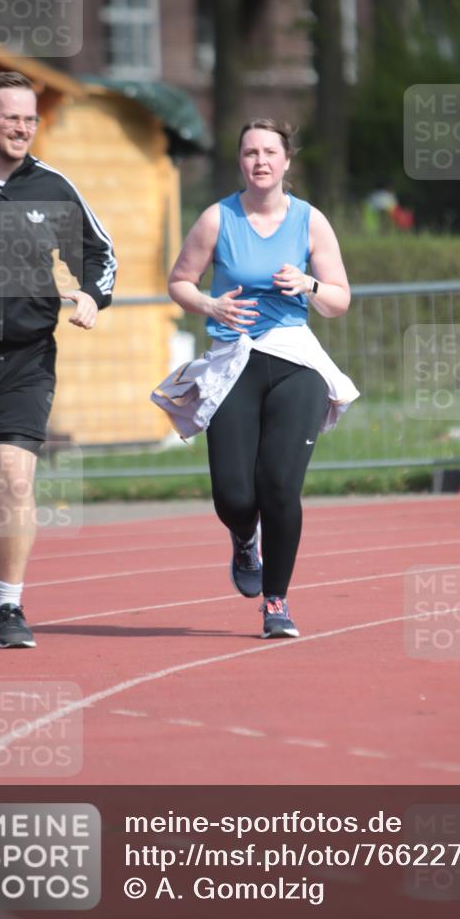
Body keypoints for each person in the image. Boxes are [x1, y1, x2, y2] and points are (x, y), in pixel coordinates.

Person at [153, 118, 358, 639]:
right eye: (250, 153)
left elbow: (339, 300)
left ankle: (276, 602)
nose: (260, 161)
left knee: (281, 487)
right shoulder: (217, 219)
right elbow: (180, 281)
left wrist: (309, 282)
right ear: (240, 162)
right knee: (235, 497)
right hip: (233, 360)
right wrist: (209, 303)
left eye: (270, 152)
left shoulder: (311, 222)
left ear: (287, 161)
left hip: (295, 361)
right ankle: (245, 537)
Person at [0, 71, 116, 648]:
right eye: (11, 117)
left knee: (14, 478)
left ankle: (9, 606)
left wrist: (90, 294)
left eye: (31, 118)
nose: (23, 127)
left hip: (27, 358)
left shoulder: (53, 187)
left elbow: (100, 252)